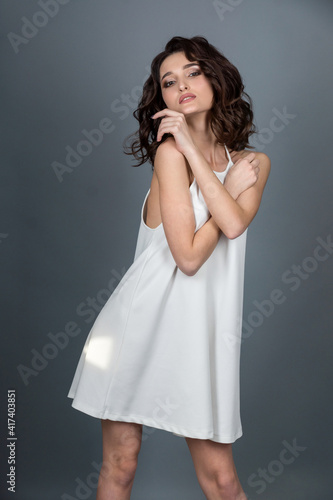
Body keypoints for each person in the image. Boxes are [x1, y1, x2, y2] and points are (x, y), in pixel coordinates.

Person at [67, 35, 270, 500]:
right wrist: (220, 183)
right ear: (161, 99)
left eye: (193, 72)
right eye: (168, 81)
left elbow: (234, 226)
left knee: (222, 480)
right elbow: (190, 257)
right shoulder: (169, 154)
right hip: (135, 327)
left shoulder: (254, 163)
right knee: (121, 464)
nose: (181, 85)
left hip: (199, 338)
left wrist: (224, 183)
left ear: (217, 77)